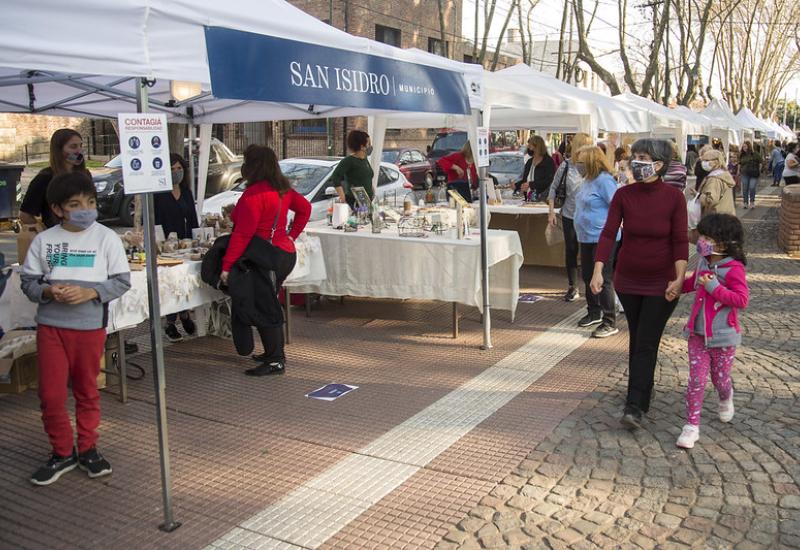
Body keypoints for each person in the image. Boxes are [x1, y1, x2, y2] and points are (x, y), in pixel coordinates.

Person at [20, 172, 131, 485]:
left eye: (91, 202)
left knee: (86, 390)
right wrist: (47, 291)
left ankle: (88, 448)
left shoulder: (107, 238)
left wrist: (91, 293)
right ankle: (61, 452)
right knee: (51, 395)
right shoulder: (44, 240)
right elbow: (28, 283)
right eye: (75, 204)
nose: (86, 209)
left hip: (89, 328)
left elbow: (122, 281)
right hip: (51, 328)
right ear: (57, 209)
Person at [590, 138, 688, 429]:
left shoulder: (674, 198)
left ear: (658, 164)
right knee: (639, 338)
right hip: (628, 279)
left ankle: (634, 405)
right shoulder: (624, 195)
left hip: (662, 282)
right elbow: (608, 233)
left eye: (642, 157)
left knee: (646, 340)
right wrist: (598, 270)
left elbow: (680, 240)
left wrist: (680, 277)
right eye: (635, 156)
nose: (635, 161)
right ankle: (642, 390)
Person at [220, 145, 311, 376]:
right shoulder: (282, 190)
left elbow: (242, 234)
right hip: (283, 254)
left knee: (264, 306)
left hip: (263, 257)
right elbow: (305, 209)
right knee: (267, 303)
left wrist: (227, 266)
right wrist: (292, 235)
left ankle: (275, 359)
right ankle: (273, 353)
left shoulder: (253, 195)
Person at [676, 214, 749, 449]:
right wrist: (677, 288)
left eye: (707, 237)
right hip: (698, 333)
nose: (701, 241)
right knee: (696, 379)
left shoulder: (733, 269)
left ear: (724, 243)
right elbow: (695, 281)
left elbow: (741, 299)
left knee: (720, 379)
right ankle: (691, 426)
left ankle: (726, 396)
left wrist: (714, 287)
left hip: (723, 336)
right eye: (702, 236)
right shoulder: (703, 261)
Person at [573, 146, 620, 338]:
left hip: (603, 237)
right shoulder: (587, 180)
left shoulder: (605, 181)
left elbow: (616, 207)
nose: (578, 166)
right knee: (586, 275)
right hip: (585, 236)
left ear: (592, 162)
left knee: (603, 278)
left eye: (581, 163)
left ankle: (610, 320)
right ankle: (594, 311)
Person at [154, 153, 199, 341]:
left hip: (186, 242)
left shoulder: (186, 192)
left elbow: (193, 218)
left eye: (179, 168)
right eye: (172, 169)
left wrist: (197, 238)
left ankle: (185, 314)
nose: (176, 172)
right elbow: (155, 221)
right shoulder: (159, 195)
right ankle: (170, 321)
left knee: (185, 280)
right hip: (166, 246)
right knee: (171, 282)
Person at [548, 132, 591, 302]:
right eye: (585, 145)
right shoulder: (566, 166)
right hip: (569, 215)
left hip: (589, 217)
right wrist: (551, 212)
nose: (588, 149)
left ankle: (591, 287)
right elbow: (553, 188)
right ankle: (573, 286)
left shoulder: (593, 166)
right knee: (571, 250)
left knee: (589, 253)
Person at [20, 128, 91, 228]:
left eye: (80, 145)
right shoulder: (44, 178)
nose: (79, 151)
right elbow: (25, 215)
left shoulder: (85, 174)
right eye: (73, 146)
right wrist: (45, 234)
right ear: (59, 150)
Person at [330, 130, 374, 209]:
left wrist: (372, 190)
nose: (370, 146)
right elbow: (335, 177)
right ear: (362, 146)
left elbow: (367, 177)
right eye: (368, 143)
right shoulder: (349, 161)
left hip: (366, 201)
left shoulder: (364, 159)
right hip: (355, 201)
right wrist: (342, 196)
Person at [698, 149, 736, 217]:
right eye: (703, 160)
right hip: (726, 215)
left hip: (715, 218)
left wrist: (699, 196)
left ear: (716, 162)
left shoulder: (714, 179)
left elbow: (711, 200)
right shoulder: (723, 174)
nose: (703, 163)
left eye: (706, 160)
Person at [518, 135, 555, 201]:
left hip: (543, 199)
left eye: (530, 146)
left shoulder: (548, 162)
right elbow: (525, 180)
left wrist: (531, 184)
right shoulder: (529, 162)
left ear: (537, 147)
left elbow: (549, 181)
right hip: (529, 199)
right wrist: (517, 185)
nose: (528, 148)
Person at [738, 141, 761, 209]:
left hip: (753, 173)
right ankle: (745, 202)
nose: (744, 148)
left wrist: (759, 170)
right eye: (743, 146)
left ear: (749, 146)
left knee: (752, 187)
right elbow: (739, 163)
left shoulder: (755, 154)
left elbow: (760, 162)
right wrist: (738, 171)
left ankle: (752, 202)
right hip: (744, 173)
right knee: (745, 188)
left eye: (745, 146)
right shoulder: (742, 154)